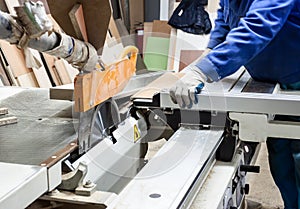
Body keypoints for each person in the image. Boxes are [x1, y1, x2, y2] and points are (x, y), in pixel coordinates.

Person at [169, 0, 300, 208]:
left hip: (296, 76)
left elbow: (259, 26)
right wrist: (211, 50)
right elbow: (226, 14)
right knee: (281, 156)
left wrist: (206, 69)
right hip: (272, 78)